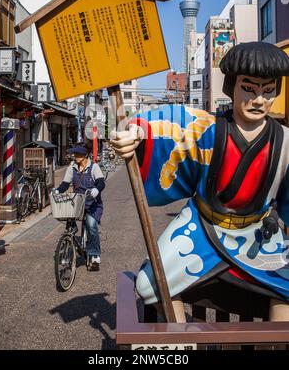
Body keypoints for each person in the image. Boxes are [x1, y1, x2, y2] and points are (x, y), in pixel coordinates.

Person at [110, 41, 289, 322]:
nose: (259, 100)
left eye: (267, 91)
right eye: (249, 88)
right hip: (204, 228)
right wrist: (134, 135)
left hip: (259, 235)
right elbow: (166, 124)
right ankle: (182, 344)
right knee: (150, 284)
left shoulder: (286, 141)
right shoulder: (206, 127)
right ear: (232, 87)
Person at [56, 142, 105, 271]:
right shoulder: (72, 167)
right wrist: (57, 191)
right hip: (77, 202)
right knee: (69, 224)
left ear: (86, 154)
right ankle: (68, 250)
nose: (76, 155)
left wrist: (96, 190)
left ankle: (94, 255)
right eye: (75, 153)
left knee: (91, 225)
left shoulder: (94, 167)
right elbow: (65, 184)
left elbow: (101, 182)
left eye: (79, 153)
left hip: (93, 204)